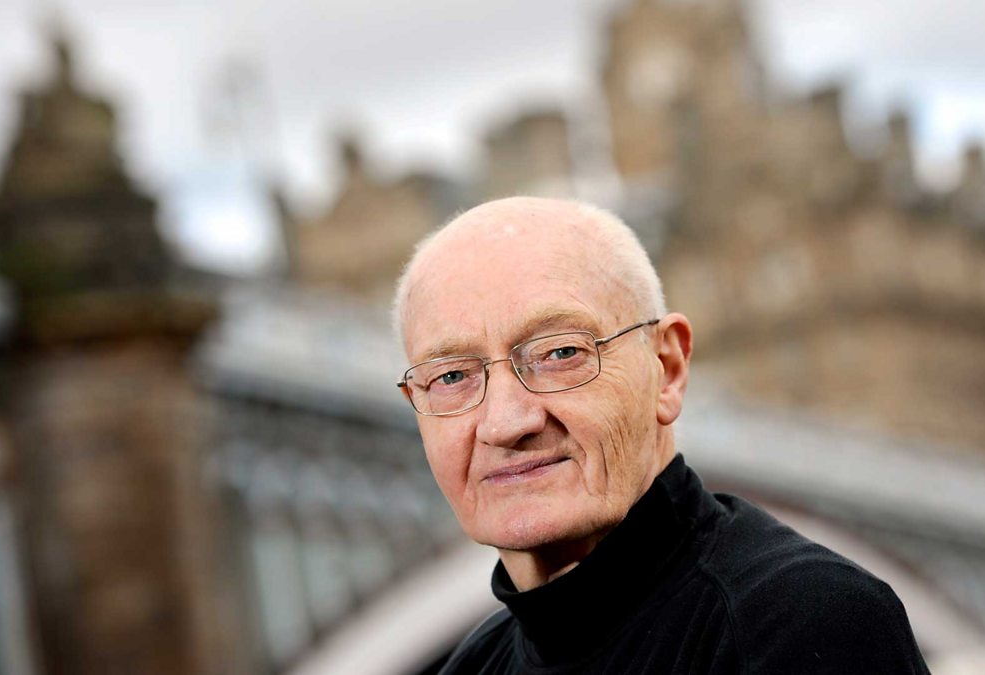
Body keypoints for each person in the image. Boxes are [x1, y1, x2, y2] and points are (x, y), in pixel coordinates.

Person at [393, 196, 930, 674]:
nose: (506, 422)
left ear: (667, 368)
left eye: (560, 352)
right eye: (451, 378)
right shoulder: (471, 665)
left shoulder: (802, 622)